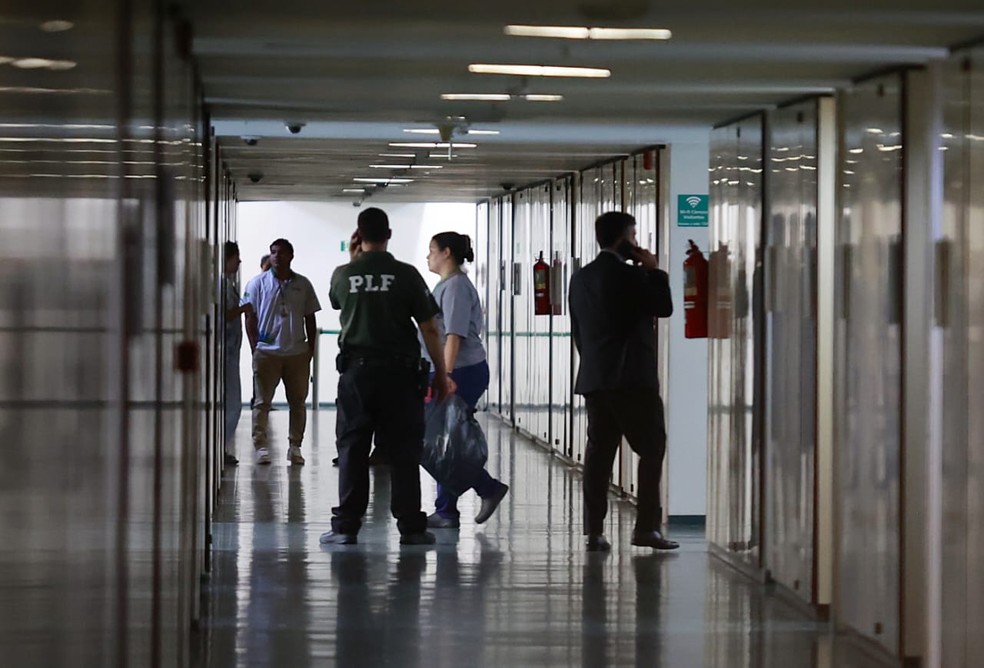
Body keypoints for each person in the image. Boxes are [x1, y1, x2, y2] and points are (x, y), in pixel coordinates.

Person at [320, 207, 450, 546]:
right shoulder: (406, 275)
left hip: (357, 374)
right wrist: (440, 373)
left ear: (359, 236)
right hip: (400, 377)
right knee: (404, 450)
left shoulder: (343, 274)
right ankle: (411, 527)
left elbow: (337, 301)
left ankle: (346, 527)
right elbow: (430, 328)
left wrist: (353, 260)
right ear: (389, 235)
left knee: (353, 448)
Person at [568, 212, 679, 552]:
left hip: (595, 379)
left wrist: (594, 365)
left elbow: (579, 332)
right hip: (632, 380)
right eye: (633, 235)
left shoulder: (580, 278)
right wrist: (655, 270)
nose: (636, 241)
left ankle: (594, 531)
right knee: (652, 448)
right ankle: (646, 528)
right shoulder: (632, 276)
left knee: (599, 456)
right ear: (623, 239)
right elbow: (664, 307)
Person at [422, 231, 508, 529]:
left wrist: (444, 376)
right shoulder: (446, 285)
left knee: (444, 438)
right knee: (445, 437)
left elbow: (454, 335)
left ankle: (457, 505)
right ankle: (466, 499)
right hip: (451, 370)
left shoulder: (456, 286)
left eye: (432, 250)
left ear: (446, 252)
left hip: (460, 371)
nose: (428, 256)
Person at [242, 238, 320, 466]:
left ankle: (295, 446)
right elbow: (250, 317)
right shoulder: (257, 283)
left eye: (281, 252)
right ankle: (260, 445)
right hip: (267, 353)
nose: (276, 256)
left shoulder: (303, 284)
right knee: (262, 402)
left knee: (298, 402)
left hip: (296, 352)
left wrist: (310, 349)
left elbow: (310, 317)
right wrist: (255, 347)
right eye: (273, 252)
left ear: (291, 256)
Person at [222, 241, 251, 466]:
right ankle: (221, 447)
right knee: (233, 404)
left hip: (230, 351)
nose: (239, 262)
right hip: (225, 352)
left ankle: (222, 447)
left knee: (232, 403)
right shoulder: (220, 285)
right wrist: (243, 309)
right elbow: (222, 314)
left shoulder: (227, 284)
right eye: (235, 258)